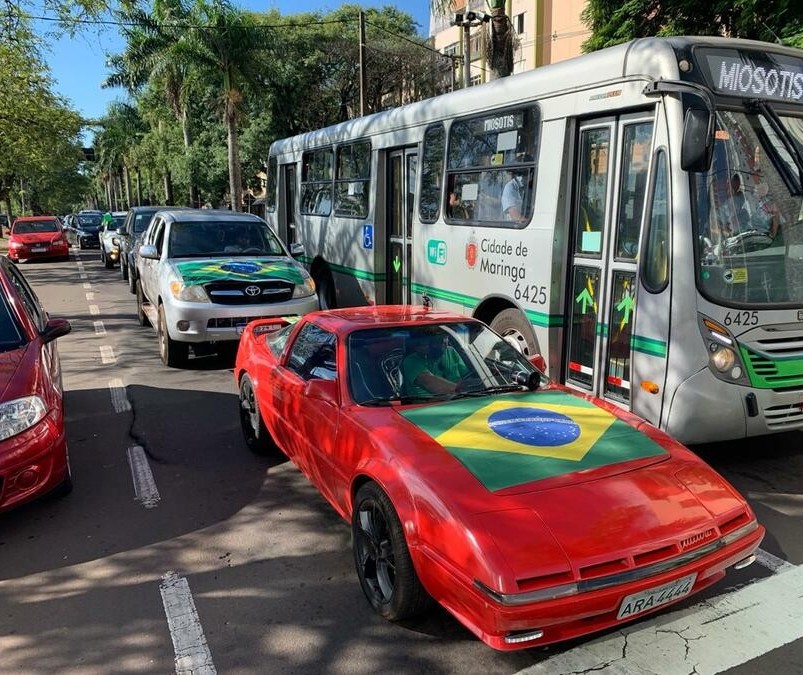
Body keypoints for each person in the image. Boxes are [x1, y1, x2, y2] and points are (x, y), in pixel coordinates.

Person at [401, 331, 469, 397]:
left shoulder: (450, 351)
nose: (444, 342)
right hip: (426, 406)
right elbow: (430, 383)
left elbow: (467, 377)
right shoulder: (411, 361)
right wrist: (465, 393)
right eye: (437, 340)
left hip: (461, 399)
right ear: (417, 347)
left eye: (445, 337)